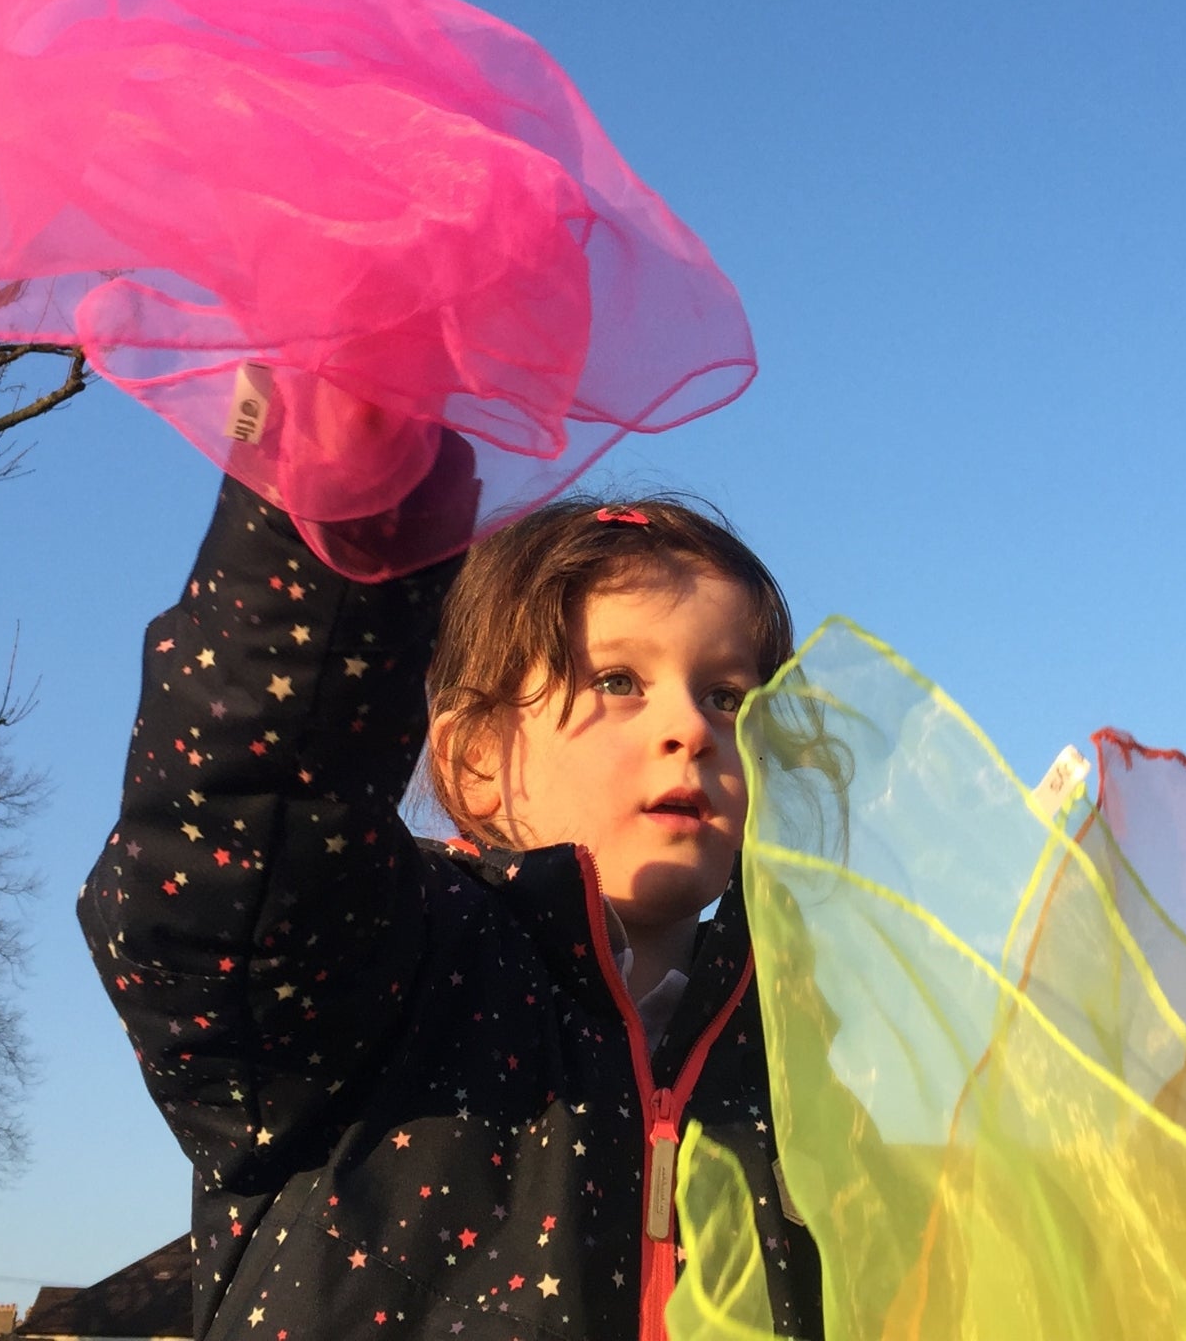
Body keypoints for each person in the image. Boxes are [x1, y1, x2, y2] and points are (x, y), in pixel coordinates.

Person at [80, 438, 823, 1341]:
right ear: (477, 762)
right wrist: (347, 490)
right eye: (619, 681)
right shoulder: (392, 967)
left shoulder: (802, 1058)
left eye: (729, 696)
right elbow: (243, 846)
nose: (692, 729)